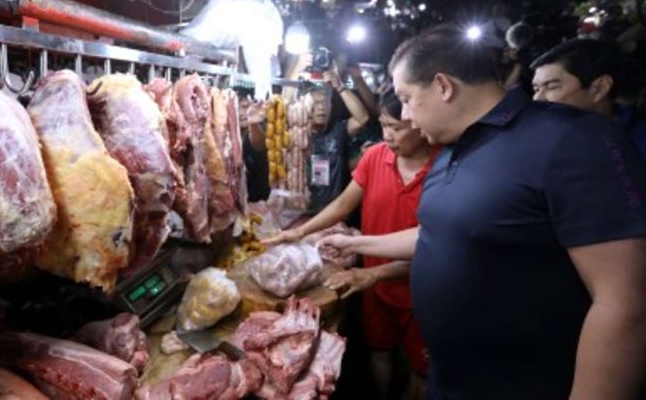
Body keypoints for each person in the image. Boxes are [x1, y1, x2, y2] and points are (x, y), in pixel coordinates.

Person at [320, 23, 646, 400]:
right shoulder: (450, 152)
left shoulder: (571, 139)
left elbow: (627, 302)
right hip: (452, 379)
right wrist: (358, 243)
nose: (405, 116)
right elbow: (442, 232)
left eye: (407, 98)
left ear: (443, 86)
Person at [266, 90, 438, 400]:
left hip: (423, 287)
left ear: (419, 122)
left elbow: (435, 242)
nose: (388, 135)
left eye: (397, 127)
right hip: (371, 282)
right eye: (384, 125)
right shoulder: (375, 156)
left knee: (419, 369)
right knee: (379, 351)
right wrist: (300, 231)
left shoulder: (443, 167)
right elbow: (345, 204)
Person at [531, 38, 646, 158]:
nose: (537, 99)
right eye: (536, 89)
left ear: (599, 88)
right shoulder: (547, 139)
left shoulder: (639, 143)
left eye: (552, 87)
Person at [307, 62, 370, 213]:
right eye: (315, 104)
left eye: (324, 103)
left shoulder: (337, 131)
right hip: (302, 210)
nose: (321, 108)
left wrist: (340, 86)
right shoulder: (297, 135)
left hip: (334, 212)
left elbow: (362, 118)